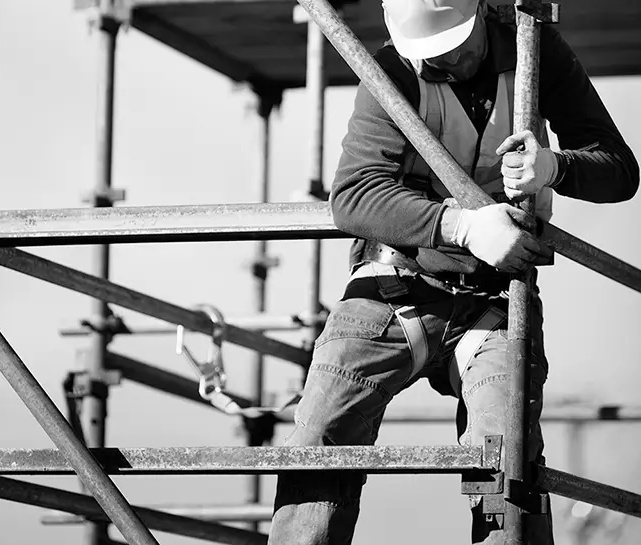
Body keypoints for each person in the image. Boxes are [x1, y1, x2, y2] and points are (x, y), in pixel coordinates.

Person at [267, 1, 639, 544]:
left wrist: (556, 167)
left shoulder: (533, 52)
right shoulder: (392, 69)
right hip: (391, 291)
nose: (450, 61)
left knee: (507, 462)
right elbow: (353, 195)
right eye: (434, 54)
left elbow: (619, 171)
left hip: (493, 301)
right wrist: (461, 227)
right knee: (321, 440)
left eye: (460, 46)